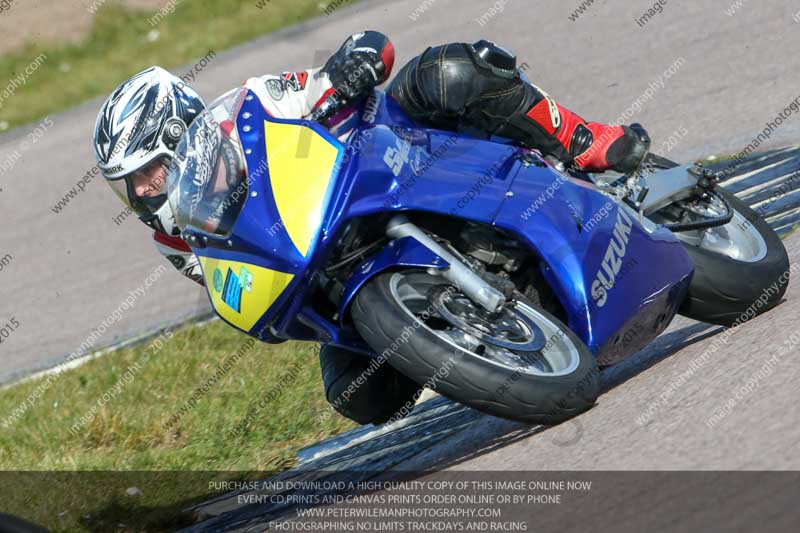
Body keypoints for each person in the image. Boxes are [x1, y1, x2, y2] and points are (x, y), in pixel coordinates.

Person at [93, 31, 650, 425]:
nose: (142, 192)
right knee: (359, 397)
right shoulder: (177, 235)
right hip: (333, 266)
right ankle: (462, 339)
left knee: (448, 73)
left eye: (146, 172)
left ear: (177, 131)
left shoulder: (249, 106)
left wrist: (352, 65)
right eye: (129, 183)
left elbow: (350, 61)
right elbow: (238, 280)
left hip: (391, 160)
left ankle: (586, 143)